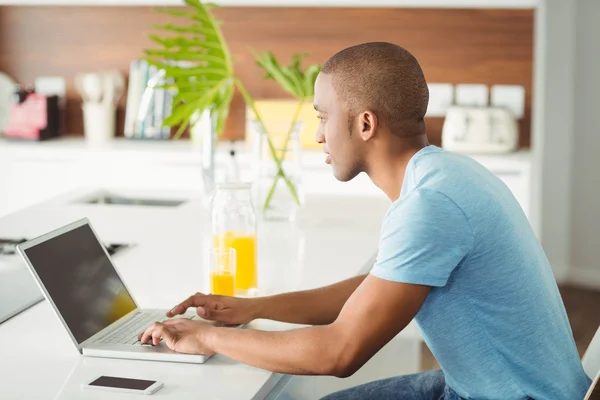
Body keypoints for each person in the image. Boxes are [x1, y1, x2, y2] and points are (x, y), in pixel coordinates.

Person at [139, 42, 591, 399]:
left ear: (365, 124)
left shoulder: (430, 205)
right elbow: (374, 289)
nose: (317, 135)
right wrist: (254, 308)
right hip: (492, 386)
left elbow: (340, 352)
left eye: (323, 117)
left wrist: (206, 339)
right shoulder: (447, 173)